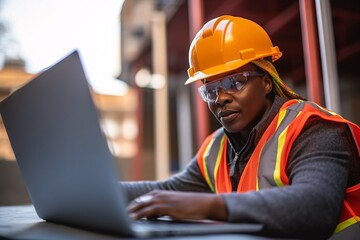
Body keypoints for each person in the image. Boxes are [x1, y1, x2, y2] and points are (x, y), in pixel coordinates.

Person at [122, 15, 360, 239]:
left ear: (266, 82)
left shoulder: (314, 129)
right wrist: (101, 192)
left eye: (234, 82)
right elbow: (167, 191)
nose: (221, 98)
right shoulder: (216, 149)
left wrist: (208, 206)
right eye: (211, 90)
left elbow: (316, 207)